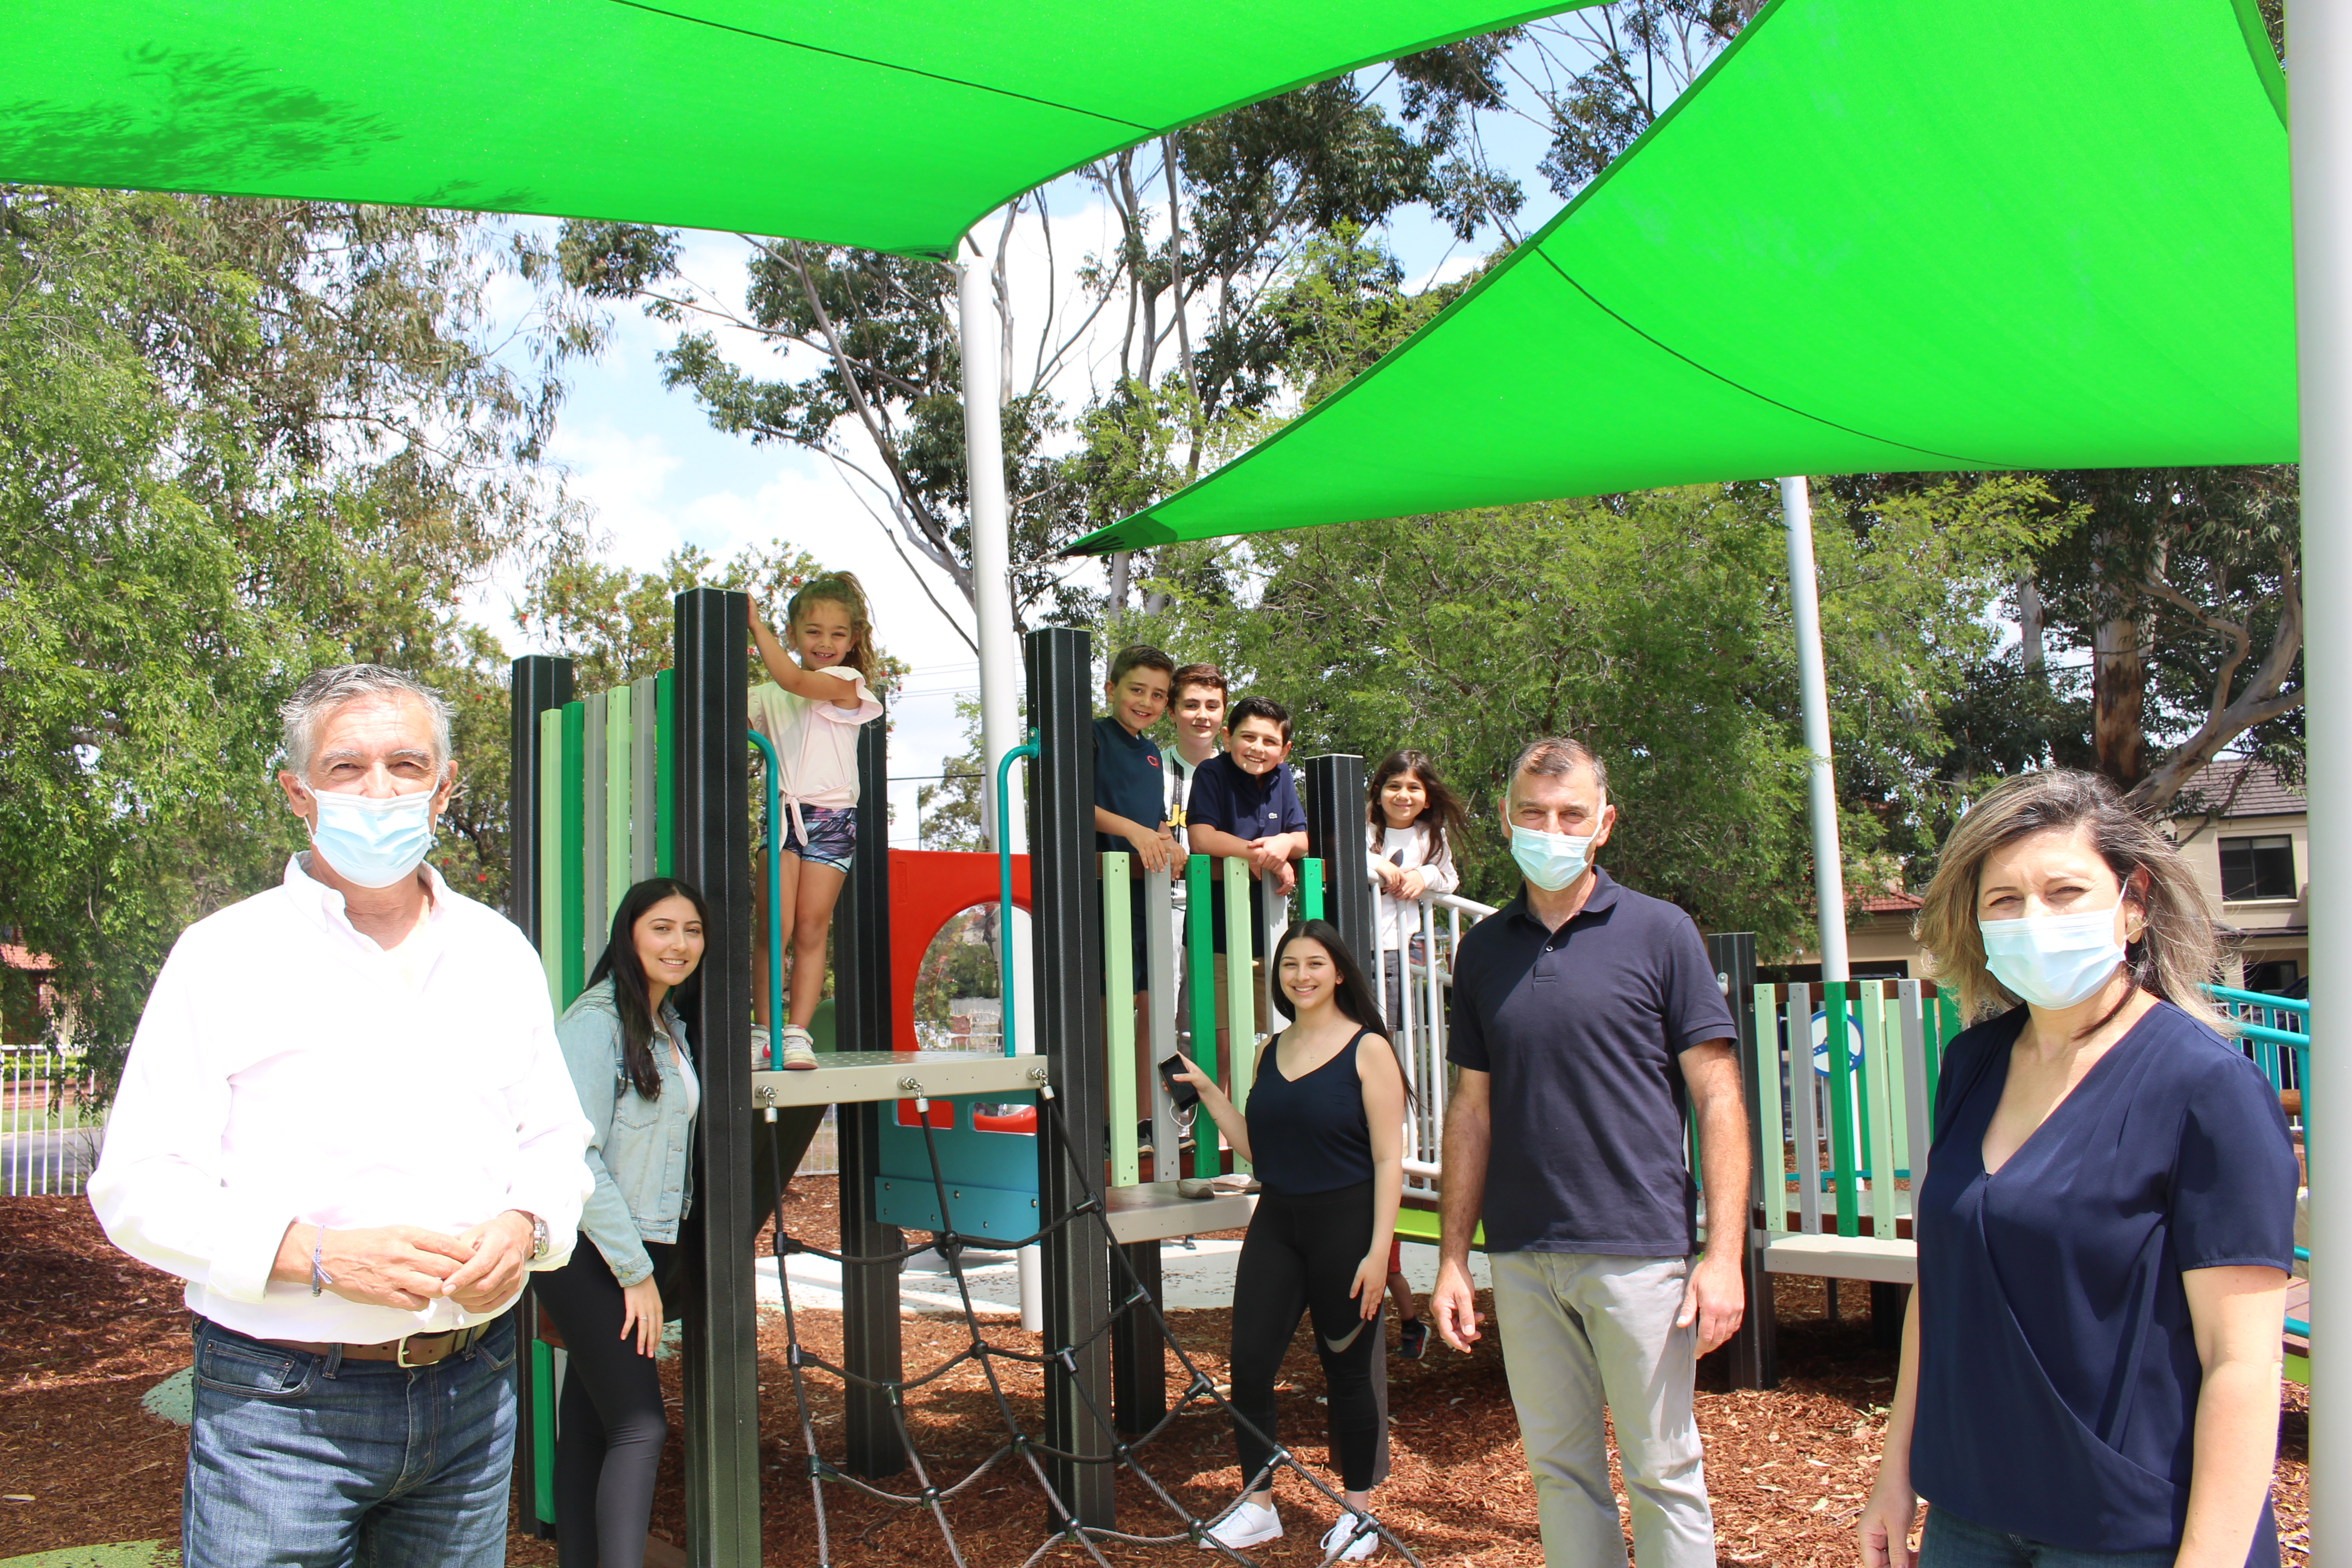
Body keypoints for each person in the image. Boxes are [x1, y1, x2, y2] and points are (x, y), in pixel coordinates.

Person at [88, 664, 592, 1568]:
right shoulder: (223, 956)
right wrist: (319, 1257)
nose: (380, 790)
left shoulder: (499, 952)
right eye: (346, 767)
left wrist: (526, 1226)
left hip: (474, 1390)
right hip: (279, 1404)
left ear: (443, 787)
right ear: (297, 793)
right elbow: (139, 1187)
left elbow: (554, 1139)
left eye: (406, 765)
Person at [1856, 769, 2297, 1568]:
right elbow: (1941, 1285)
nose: (2032, 920)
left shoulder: (2206, 1088)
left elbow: (2242, 1360)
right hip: (1967, 1512)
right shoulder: (1971, 1064)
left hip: (2128, 1530)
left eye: (2063, 892)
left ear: (2131, 906)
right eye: (2003, 900)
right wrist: (1898, 1470)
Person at [1427, 736, 1748, 1568]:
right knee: (1559, 1472)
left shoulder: (1661, 932)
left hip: (1639, 1252)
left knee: (1663, 1470)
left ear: (1603, 824)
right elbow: (1470, 1110)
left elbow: (1716, 1096)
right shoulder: (1483, 950)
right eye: (1532, 812)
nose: (1550, 827)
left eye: (1570, 814)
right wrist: (1453, 1258)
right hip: (1525, 1255)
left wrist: (1722, 1255)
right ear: (1504, 819)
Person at [1172, 921, 1409, 1561]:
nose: (1301, 976)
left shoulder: (1368, 1050)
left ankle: (1358, 1514)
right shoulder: (1268, 1050)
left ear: (1338, 973)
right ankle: (1258, 1506)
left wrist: (1378, 1253)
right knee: (1248, 1366)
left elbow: (1391, 1160)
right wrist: (1210, 1096)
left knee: (1348, 1373)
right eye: (1288, 967)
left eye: (1314, 964)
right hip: (1277, 1223)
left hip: (1347, 1227)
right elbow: (1260, 1150)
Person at [539, 877, 710, 1568]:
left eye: (692, 931)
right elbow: (574, 1155)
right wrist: (635, 1273)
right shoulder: (595, 1022)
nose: (679, 944)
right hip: (590, 1249)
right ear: (629, 935)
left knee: (591, 1420)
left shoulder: (669, 1026)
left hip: (639, 1244)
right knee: (641, 1427)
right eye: (662, 928)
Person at [748, 571, 885, 1069]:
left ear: (851, 642)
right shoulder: (765, 695)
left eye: (837, 634)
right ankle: (763, 1031)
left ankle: (797, 1034)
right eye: (813, 632)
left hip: (832, 818)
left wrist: (753, 627)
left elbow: (796, 681)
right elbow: (734, 718)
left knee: (810, 926)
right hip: (783, 812)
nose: (825, 643)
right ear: (792, 634)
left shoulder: (846, 683)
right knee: (774, 925)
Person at [1184, 696, 1310, 1059]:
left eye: (1270, 742)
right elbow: (1202, 837)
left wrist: (1283, 844)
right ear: (1227, 738)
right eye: (1248, 737)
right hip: (1217, 935)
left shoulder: (1282, 777)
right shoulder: (1213, 773)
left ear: (1284, 750)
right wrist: (1263, 857)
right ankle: (1222, 1115)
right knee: (1223, 1050)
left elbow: (1301, 839)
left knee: (1275, 1043)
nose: (1258, 749)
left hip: (1269, 935)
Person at [1095, 645, 1184, 1139]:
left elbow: (1152, 819)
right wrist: (1134, 832)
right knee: (1114, 1008)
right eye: (1136, 690)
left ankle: (1147, 1119)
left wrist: (1166, 840)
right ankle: (1110, 1122)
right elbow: (1075, 803)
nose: (1146, 702)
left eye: (1158, 695)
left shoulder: (1152, 754)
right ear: (1112, 689)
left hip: (1143, 896)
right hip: (1101, 888)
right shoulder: (1092, 736)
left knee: (1154, 1005)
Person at [1364, 749, 1465, 1033]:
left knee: (1391, 1028)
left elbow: (1449, 878)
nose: (1403, 795)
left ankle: (1390, 1076)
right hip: (1354, 939)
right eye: (1394, 786)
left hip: (1395, 946)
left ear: (1428, 797)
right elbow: (1340, 859)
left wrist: (1425, 874)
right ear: (1378, 790)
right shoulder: (1363, 829)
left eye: (1414, 788)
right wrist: (1378, 863)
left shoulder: (1430, 835)